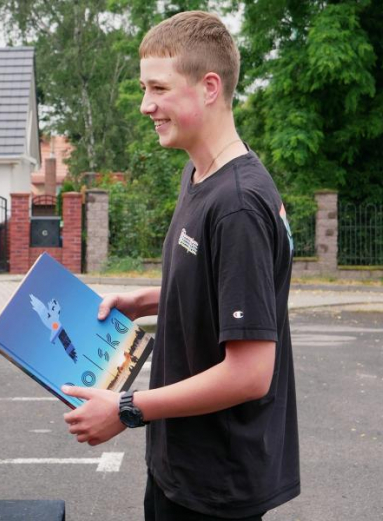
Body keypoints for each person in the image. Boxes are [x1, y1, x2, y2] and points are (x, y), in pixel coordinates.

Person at [62, 11, 299, 521]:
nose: (146, 105)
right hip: (181, 467)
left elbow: (252, 373)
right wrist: (145, 300)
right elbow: (215, 285)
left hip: (217, 486)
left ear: (209, 87)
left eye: (158, 88)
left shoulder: (237, 205)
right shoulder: (199, 173)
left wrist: (126, 410)